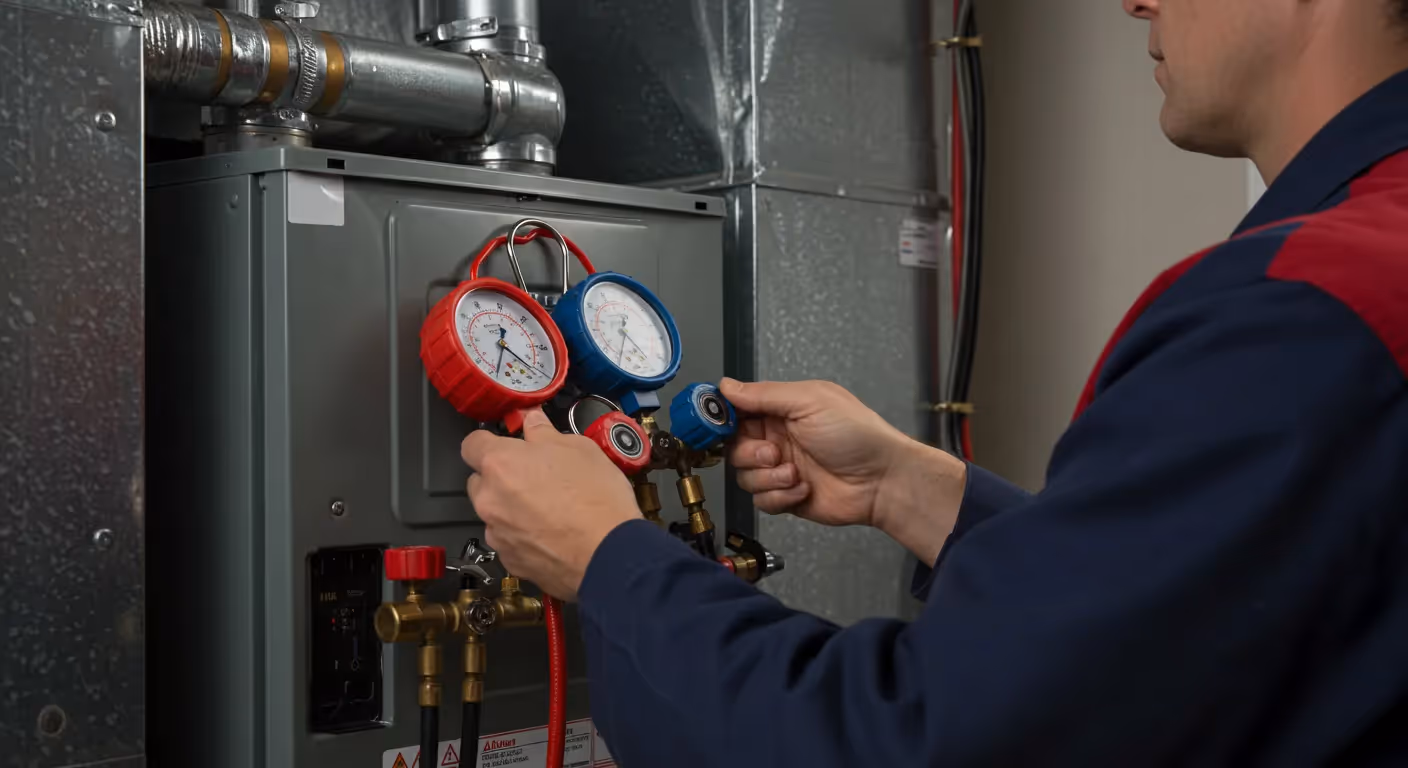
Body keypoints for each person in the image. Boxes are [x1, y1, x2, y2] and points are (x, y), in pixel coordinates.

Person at [459, 0, 1408, 763]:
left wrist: (609, 560)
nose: (1136, 3)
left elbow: (925, 737)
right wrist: (916, 489)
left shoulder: (1299, 309)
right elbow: (1204, 628)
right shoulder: (1365, 274)